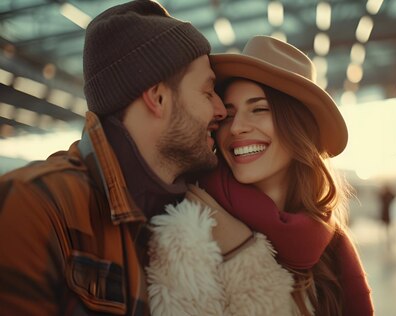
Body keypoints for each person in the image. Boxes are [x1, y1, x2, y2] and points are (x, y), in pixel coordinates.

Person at [0, 1, 249, 314]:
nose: (221, 110)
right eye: (207, 92)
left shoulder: (189, 215)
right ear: (157, 98)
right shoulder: (35, 205)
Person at [146, 36, 374, 315]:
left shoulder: (332, 242)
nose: (237, 127)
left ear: (298, 128)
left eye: (259, 109)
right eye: (228, 115)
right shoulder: (190, 228)